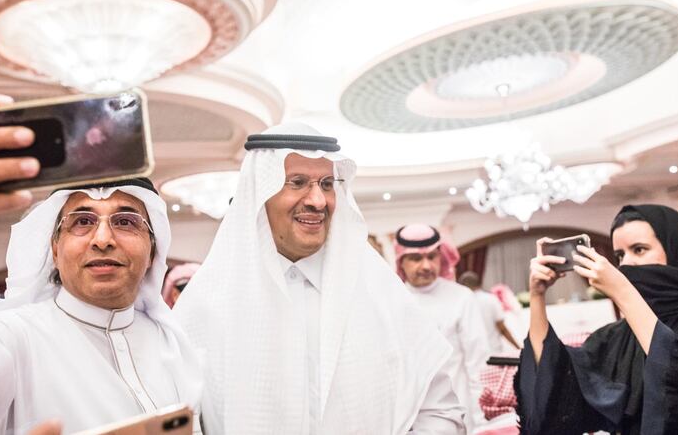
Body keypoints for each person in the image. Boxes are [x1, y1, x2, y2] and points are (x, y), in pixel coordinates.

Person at [0, 93, 202, 434]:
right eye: (82, 221)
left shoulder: (171, 341)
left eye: (125, 221)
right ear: (54, 247)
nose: (102, 239)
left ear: (152, 249)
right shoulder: (12, 335)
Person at [175, 123, 466, 434]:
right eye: (297, 182)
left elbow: (441, 412)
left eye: (327, 184)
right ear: (260, 194)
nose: (318, 200)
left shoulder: (381, 293)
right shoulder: (205, 305)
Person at [517, 204, 678, 435]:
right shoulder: (616, 336)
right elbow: (553, 383)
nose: (626, 264)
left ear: (677, 249)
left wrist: (624, 292)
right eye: (620, 255)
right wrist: (537, 296)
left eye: (639, 249)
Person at [395, 225, 490, 432]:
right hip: (409, 420)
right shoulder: (393, 301)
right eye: (416, 259)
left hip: (460, 417)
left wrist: (481, 423)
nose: (426, 265)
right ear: (401, 261)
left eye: (432, 257)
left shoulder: (462, 297)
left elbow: (478, 364)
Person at [458, 272, 522, 353]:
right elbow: (502, 328)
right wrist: (518, 347)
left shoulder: (461, 304)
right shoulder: (491, 299)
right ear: (479, 284)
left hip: (472, 355)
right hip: (494, 352)